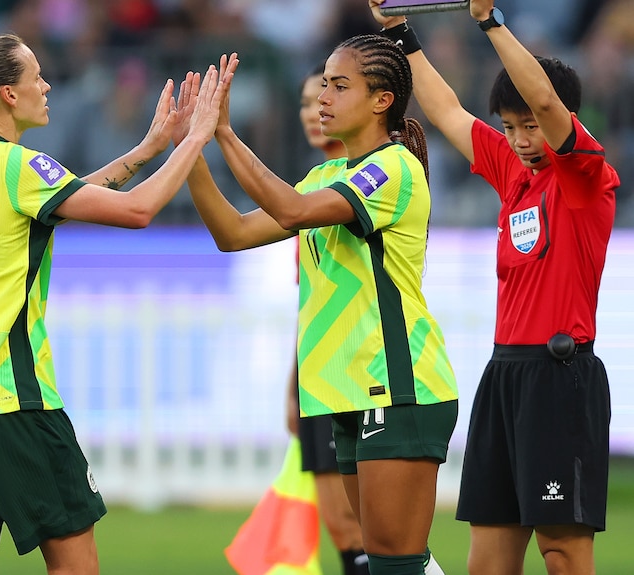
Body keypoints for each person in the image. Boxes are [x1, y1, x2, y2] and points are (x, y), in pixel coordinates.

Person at [0, 33, 235, 575]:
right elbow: (137, 211)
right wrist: (196, 138)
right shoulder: (19, 168)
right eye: (36, 76)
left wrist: (151, 146)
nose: (46, 85)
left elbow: (68, 197)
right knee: (75, 564)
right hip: (9, 400)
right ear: (9, 94)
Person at [177, 39, 458, 575]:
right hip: (346, 389)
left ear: (382, 100)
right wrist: (190, 148)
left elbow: (290, 210)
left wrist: (225, 134)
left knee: (394, 564)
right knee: (389, 563)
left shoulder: (393, 169)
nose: (322, 97)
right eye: (322, 84)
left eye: (338, 85)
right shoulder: (325, 177)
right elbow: (233, 233)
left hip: (397, 388)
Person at [368, 1, 619, 574]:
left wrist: (489, 20)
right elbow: (447, 112)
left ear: (565, 121)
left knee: (562, 553)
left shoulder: (586, 177)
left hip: (562, 380)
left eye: (529, 126)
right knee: (488, 562)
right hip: (504, 375)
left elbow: (547, 100)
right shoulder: (513, 173)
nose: (521, 138)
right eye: (510, 127)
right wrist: (399, 32)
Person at [287, 61, 368, 575]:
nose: (317, 109)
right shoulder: (309, 187)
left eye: (329, 95)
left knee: (370, 530)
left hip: (362, 374)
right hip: (318, 376)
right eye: (306, 101)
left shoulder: (369, 178)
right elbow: (310, 304)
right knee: (340, 527)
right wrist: (293, 385)